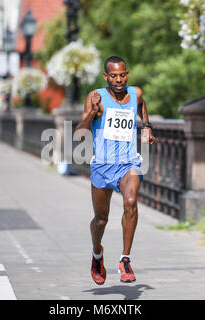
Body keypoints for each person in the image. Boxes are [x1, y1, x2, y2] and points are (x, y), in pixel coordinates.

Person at [75, 56, 155, 285]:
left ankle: (125, 259)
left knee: (131, 202)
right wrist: (93, 112)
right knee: (101, 219)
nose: (118, 80)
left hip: (129, 162)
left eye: (122, 75)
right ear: (105, 76)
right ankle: (97, 255)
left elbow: (141, 106)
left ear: (127, 74)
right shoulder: (95, 96)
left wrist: (147, 126)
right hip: (102, 164)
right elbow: (80, 132)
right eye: (113, 76)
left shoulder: (136, 93)